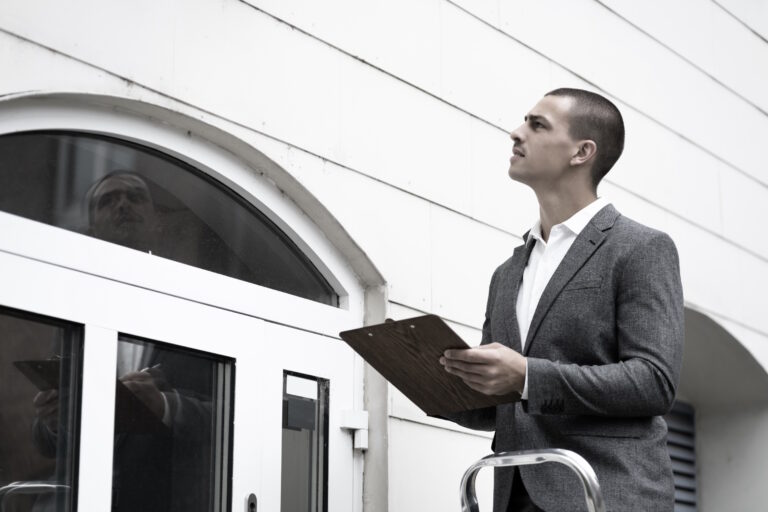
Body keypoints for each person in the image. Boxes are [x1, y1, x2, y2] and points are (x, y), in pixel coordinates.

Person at [440, 88, 684, 511]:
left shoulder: (640, 248)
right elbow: (501, 404)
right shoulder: (507, 273)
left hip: (604, 493)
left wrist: (528, 376)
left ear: (582, 152)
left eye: (537, 125)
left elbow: (653, 382)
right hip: (512, 494)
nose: (516, 133)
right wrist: (435, 383)